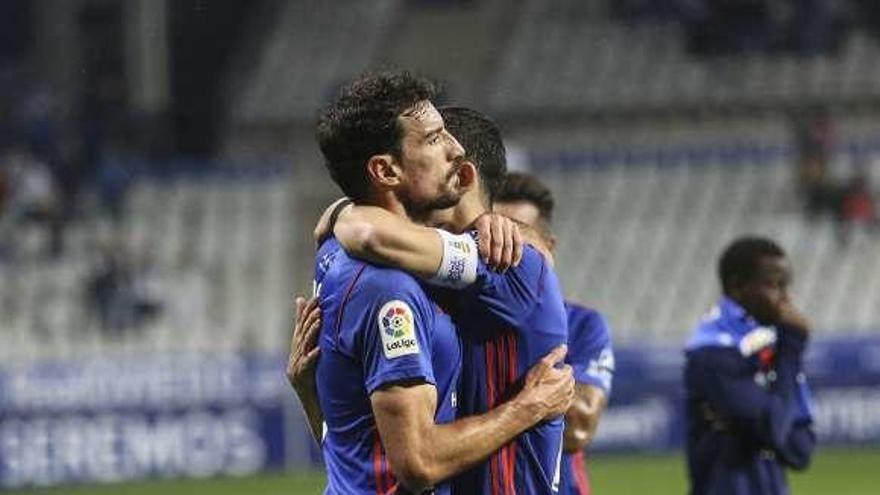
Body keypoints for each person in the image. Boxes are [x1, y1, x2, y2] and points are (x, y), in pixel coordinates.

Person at [295, 72, 574, 495]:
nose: (453, 151)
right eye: (434, 139)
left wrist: (341, 215)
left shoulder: (510, 262)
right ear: (385, 170)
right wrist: (529, 407)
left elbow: (361, 453)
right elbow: (414, 462)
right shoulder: (390, 288)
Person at [494, 172, 614, 495]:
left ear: (549, 248)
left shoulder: (583, 324)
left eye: (520, 238)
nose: (505, 250)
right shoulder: (461, 320)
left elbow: (578, 430)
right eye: (494, 234)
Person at [684, 237, 816, 495]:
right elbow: (771, 429)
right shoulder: (712, 350)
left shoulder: (768, 346)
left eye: (785, 286)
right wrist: (791, 351)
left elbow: (801, 450)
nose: (785, 298)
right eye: (774, 285)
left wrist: (763, 420)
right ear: (737, 286)